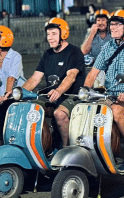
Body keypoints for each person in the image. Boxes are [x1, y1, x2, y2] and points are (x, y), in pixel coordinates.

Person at [84, 10, 124, 170]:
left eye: (117, 24)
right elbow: (93, 73)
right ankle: (96, 150)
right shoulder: (107, 47)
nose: (113, 27)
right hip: (112, 94)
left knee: (117, 112)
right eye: (112, 24)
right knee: (89, 109)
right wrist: (85, 90)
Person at [19, 18, 86, 148]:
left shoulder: (74, 52)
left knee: (59, 114)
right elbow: (35, 78)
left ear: (64, 34)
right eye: (48, 34)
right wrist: (20, 91)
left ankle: (66, 148)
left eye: (54, 34)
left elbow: (71, 76)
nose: (50, 38)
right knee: (27, 109)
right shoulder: (47, 54)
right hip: (51, 96)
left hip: (72, 97)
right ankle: (40, 146)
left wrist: (59, 91)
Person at [81, 8, 111, 85]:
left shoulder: (113, 34)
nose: (101, 23)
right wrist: (92, 34)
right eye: (98, 20)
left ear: (108, 22)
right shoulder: (90, 33)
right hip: (94, 69)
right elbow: (84, 51)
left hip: (110, 68)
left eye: (103, 20)